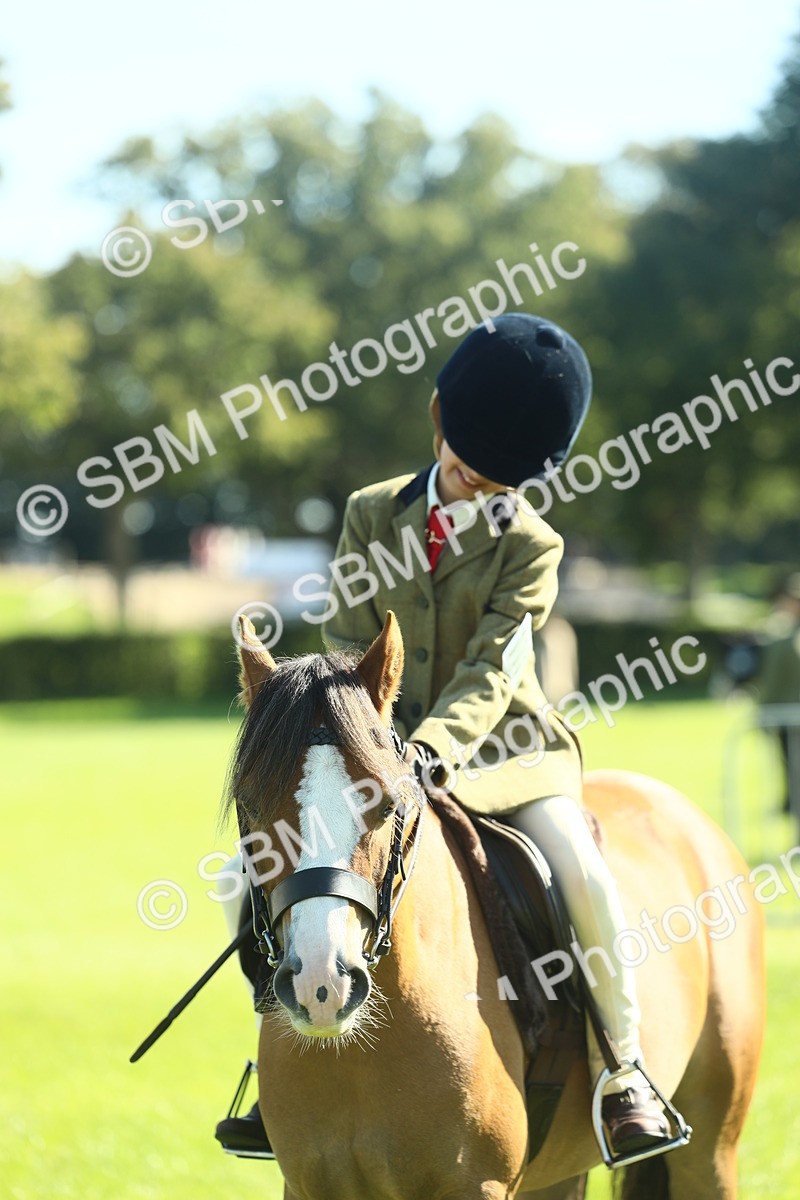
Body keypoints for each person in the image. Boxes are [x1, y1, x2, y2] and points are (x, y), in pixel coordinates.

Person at [215, 312, 674, 1160]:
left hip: (505, 755)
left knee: (582, 873)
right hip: (373, 744)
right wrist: (376, 748)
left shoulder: (533, 545)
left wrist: (432, 753)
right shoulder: (368, 514)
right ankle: (272, 1063)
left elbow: (494, 673)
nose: (474, 491)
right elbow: (349, 644)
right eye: (465, 472)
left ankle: (625, 1070)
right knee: (254, 872)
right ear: (438, 421)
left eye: (497, 488)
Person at [757, 573, 800, 816]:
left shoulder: (788, 636)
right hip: (785, 711)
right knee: (790, 764)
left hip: (791, 710)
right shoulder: (781, 631)